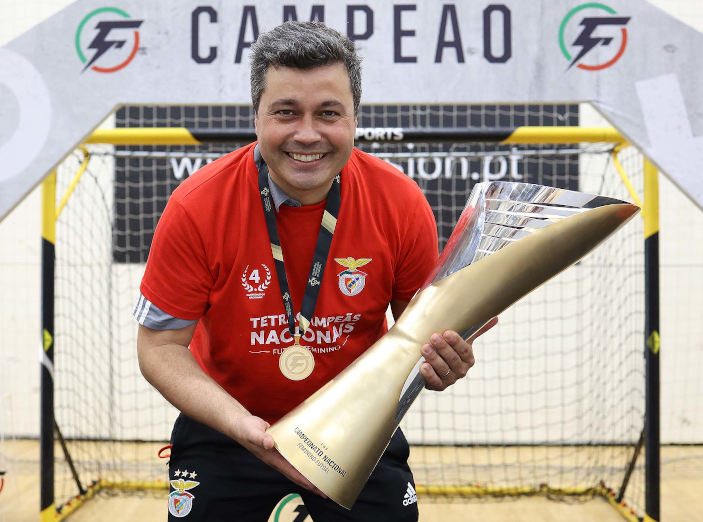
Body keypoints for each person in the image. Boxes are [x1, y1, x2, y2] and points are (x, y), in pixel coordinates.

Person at [134, 21, 496, 521]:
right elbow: (160, 347)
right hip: (226, 429)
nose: (307, 134)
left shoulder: (400, 202)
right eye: (286, 112)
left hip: (356, 430)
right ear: (256, 115)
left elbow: (419, 338)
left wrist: (439, 362)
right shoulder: (196, 206)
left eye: (328, 113)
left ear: (354, 118)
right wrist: (245, 427)